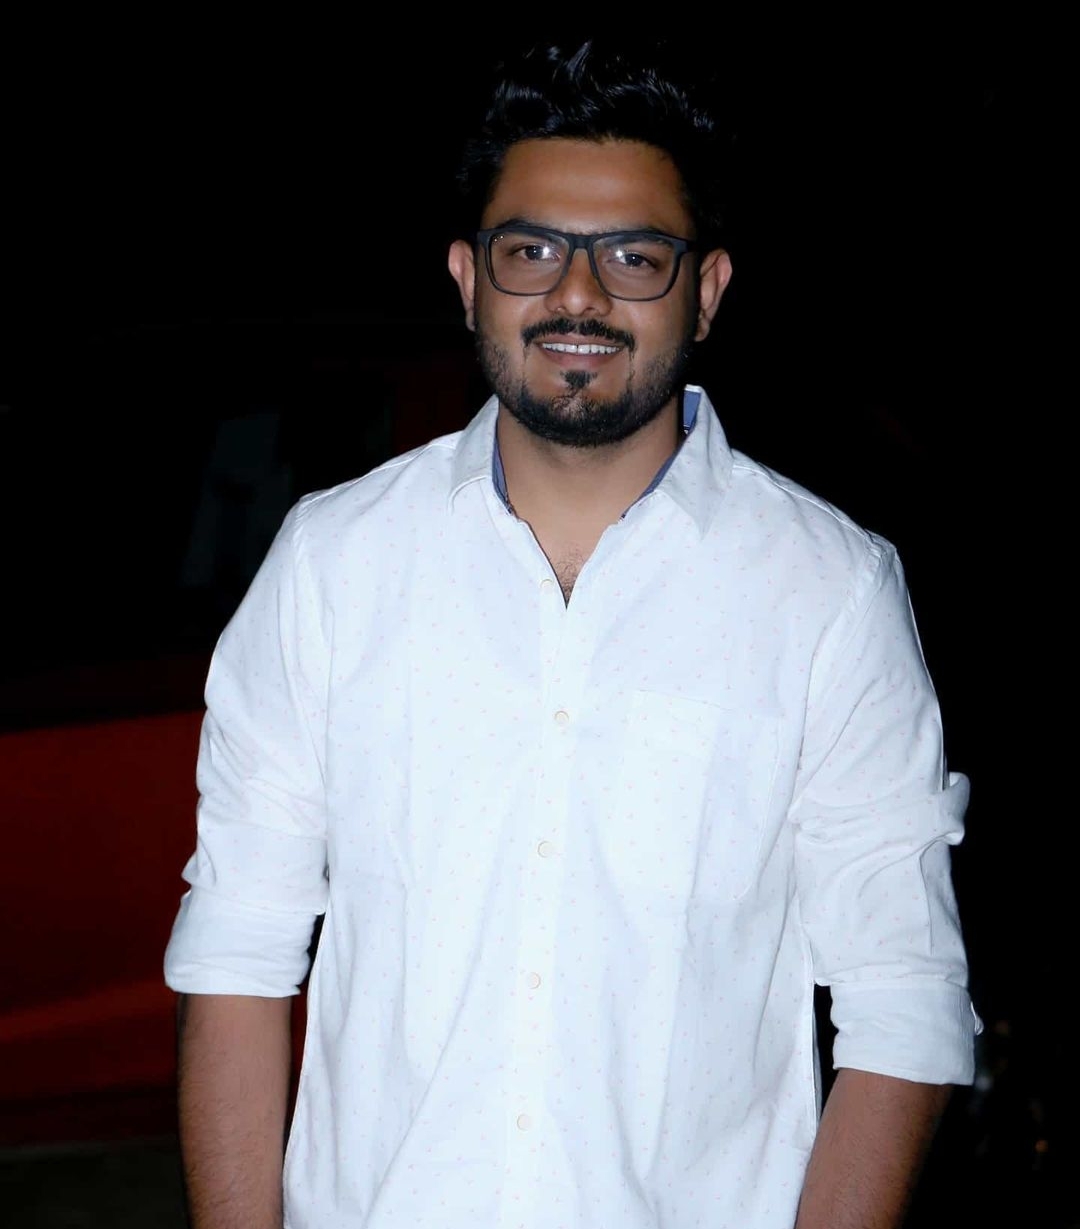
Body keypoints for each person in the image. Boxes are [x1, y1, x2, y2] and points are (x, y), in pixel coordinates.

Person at [163, 36, 982, 1229]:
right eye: (532, 250)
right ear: (468, 278)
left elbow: (902, 997)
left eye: (634, 256)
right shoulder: (334, 564)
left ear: (707, 291)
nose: (580, 295)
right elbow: (237, 949)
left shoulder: (827, 590)